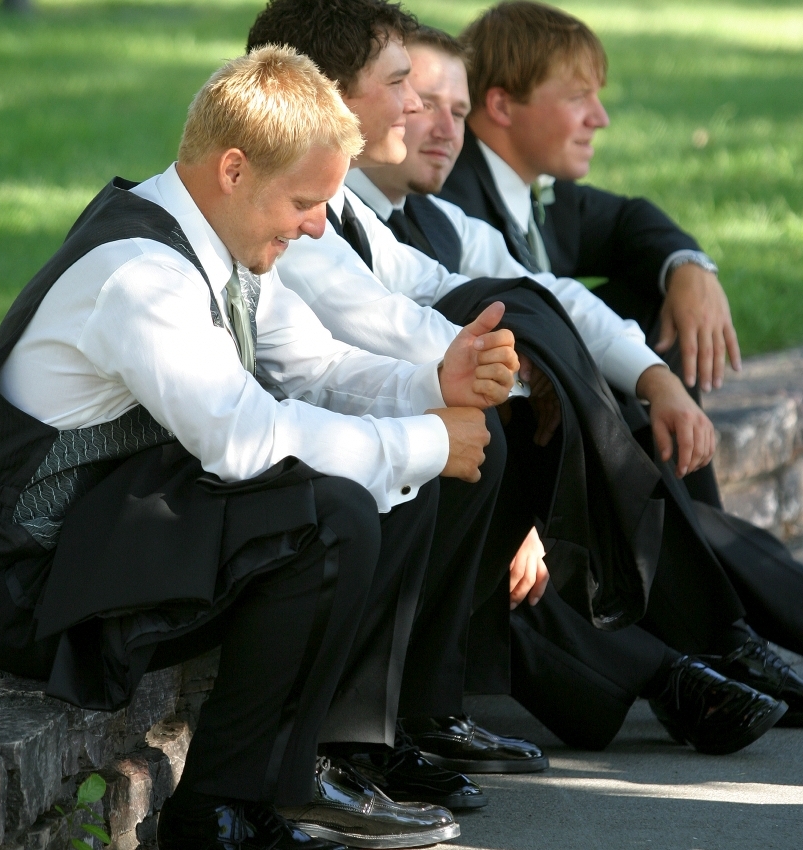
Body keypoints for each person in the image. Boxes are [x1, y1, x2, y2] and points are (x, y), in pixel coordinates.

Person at [0, 47, 524, 850]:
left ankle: (328, 757)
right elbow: (242, 438)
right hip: (32, 585)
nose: (316, 225)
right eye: (306, 201)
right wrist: (421, 440)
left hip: (114, 533)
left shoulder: (224, 248)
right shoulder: (141, 276)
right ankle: (221, 811)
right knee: (329, 515)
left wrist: (431, 380)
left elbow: (317, 367)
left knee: (386, 487)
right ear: (233, 169)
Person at [246, 0, 800, 756]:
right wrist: (521, 378)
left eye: (450, 104)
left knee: (531, 337)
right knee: (506, 389)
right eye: (407, 89)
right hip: (302, 459)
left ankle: (694, 649)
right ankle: (680, 658)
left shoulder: (390, 218)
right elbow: (371, 330)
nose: (429, 116)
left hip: (396, 434)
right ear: (333, 98)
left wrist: (649, 374)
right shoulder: (304, 215)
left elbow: (540, 287)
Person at [441, 0, 739, 508]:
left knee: (655, 293)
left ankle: (687, 521)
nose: (598, 118)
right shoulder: (449, 199)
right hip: (495, 444)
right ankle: (685, 533)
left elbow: (630, 221)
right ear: (501, 106)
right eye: (578, 97)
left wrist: (691, 268)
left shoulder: (540, 187)